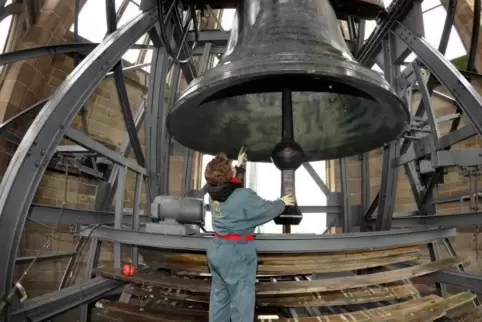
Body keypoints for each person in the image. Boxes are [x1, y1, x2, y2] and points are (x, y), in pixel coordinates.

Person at [204, 147, 296, 322]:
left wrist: (240, 166)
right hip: (237, 256)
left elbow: (230, 188)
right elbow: (265, 209)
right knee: (241, 303)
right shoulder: (244, 197)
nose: (233, 167)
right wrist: (281, 203)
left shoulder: (213, 194)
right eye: (231, 166)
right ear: (226, 175)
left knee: (220, 300)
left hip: (217, 251)